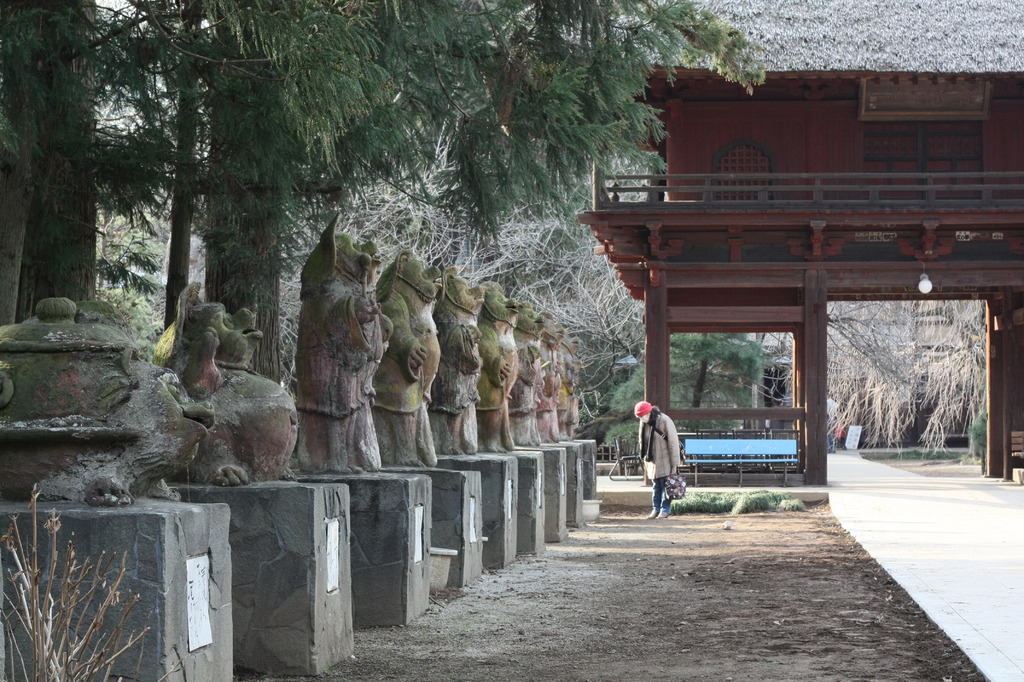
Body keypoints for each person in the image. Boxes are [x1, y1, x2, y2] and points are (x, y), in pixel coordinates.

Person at [634, 401, 681, 519]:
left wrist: (675, 463)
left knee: (665, 484)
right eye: (639, 417)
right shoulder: (643, 423)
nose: (642, 418)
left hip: (665, 458)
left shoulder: (664, 420)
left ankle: (665, 510)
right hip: (653, 460)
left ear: (649, 412)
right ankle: (655, 509)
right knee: (656, 486)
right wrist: (644, 458)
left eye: (642, 415)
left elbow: (673, 443)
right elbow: (642, 442)